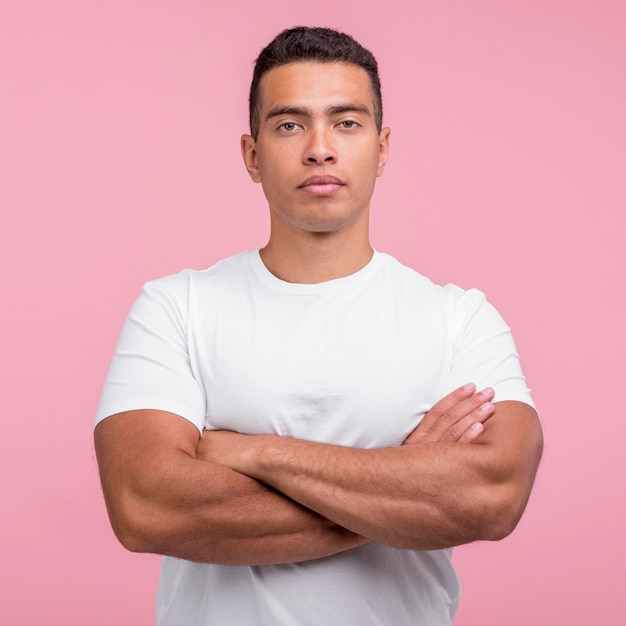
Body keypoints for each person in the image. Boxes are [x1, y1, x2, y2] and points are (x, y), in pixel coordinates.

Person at [94, 26, 543, 626]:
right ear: (253, 156)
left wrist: (252, 453)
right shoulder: (176, 308)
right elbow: (145, 507)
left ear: (382, 149)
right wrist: (406, 486)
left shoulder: (459, 319)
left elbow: (492, 499)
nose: (320, 149)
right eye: (289, 124)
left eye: (347, 123)